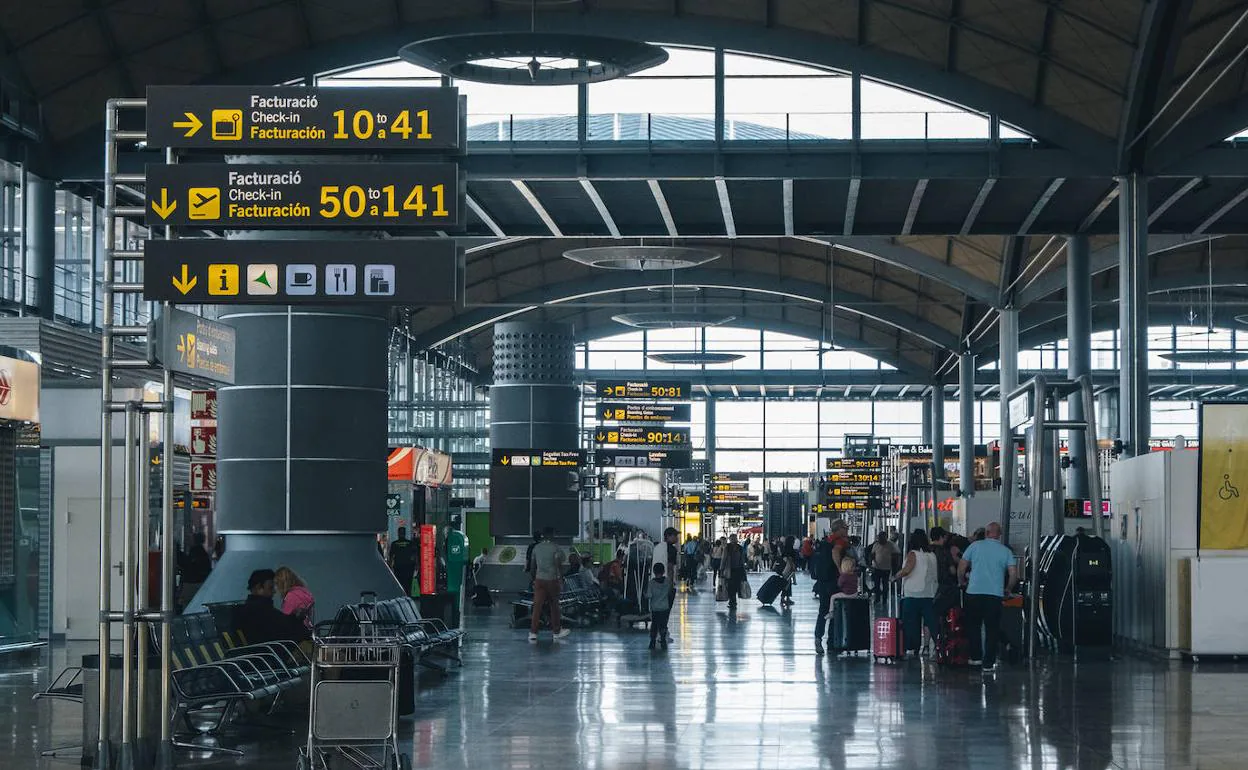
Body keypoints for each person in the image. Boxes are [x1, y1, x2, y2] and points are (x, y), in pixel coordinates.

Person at [957, 522, 1019, 672]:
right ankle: (988, 663)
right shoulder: (1006, 551)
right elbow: (1013, 574)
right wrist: (1008, 589)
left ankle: (975, 658)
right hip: (994, 595)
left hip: (973, 593)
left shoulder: (974, 546)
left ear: (986, 532)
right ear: (999, 534)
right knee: (992, 629)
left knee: (973, 626)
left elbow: (962, 567)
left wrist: (962, 581)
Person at [893, 530, 940, 658]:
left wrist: (895, 577)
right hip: (930, 593)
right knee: (931, 622)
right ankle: (939, 646)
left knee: (911, 623)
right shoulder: (932, 555)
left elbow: (907, 569)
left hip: (913, 594)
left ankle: (911, 648)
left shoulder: (913, 554)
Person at [235, 569, 310, 644]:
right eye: (270, 587)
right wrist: (297, 619)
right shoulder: (260, 611)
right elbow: (285, 627)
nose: (274, 591)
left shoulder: (251, 610)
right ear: (258, 588)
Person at [529, 527, 570, 642]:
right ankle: (556, 631)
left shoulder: (537, 548)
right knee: (554, 606)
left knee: (537, 606)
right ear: (551, 535)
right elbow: (558, 562)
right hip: (552, 580)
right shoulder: (555, 547)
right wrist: (561, 576)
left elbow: (532, 566)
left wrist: (534, 579)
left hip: (539, 580)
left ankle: (533, 633)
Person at [928, 527, 960, 619]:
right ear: (941, 537)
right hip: (944, 586)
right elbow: (953, 571)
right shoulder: (945, 551)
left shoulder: (927, 550)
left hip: (928, 586)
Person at [274, 566, 316, 631]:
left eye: (277, 584)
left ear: (282, 583)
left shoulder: (291, 597)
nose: (276, 588)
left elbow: (285, 621)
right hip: (307, 630)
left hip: (296, 633)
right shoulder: (304, 592)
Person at [179, 533, 212, 605]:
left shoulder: (195, 551)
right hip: (199, 582)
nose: (188, 540)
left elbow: (189, 565)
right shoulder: (202, 552)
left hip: (193, 583)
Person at [646, 562, 672, 650]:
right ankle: (663, 640)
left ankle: (652, 641)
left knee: (654, 625)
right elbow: (669, 592)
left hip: (655, 608)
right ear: (664, 571)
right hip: (665, 607)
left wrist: (644, 595)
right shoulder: (667, 582)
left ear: (653, 571)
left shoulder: (651, 583)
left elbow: (649, 595)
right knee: (663, 625)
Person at [720, 533, 747, 615]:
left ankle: (732, 601)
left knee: (730, 586)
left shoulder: (727, 548)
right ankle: (733, 601)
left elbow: (724, 559)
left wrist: (721, 568)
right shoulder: (740, 548)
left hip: (730, 570)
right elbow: (742, 560)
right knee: (735, 586)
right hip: (737, 570)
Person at [388, 527, 417, 596]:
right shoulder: (410, 543)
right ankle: (408, 596)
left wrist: (389, 566)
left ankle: (400, 596)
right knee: (408, 583)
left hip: (398, 566)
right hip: (408, 566)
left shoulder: (394, 544)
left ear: (398, 533)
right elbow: (415, 555)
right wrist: (416, 564)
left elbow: (391, 556)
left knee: (399, 582)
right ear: (405, 533)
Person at [870, 531, 898, 599]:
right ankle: (877, 598)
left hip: (887, 568)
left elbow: (896, 556)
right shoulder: (875, 545)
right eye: (880, 537)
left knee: (885, 585)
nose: (881, 539)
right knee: (877, 584)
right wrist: (871, 564)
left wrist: (894, 567)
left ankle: (885, 599)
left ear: (886, 537)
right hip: (877, 568)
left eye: (882, 537)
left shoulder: (891, 545)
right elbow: (872, 555)